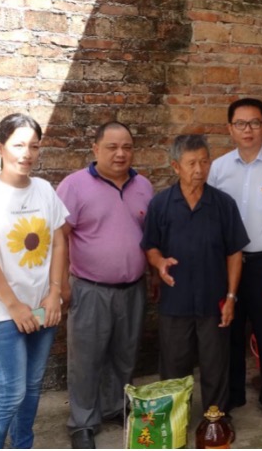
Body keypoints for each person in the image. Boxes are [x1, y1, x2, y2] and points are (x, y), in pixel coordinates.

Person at [0, 113, 68, 449]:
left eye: (34, 146)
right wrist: (14, 306)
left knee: (33, 386)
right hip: (5, 313)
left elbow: (59, 241)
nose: (27, 154)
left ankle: (23, 444)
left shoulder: (44, 190)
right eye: (18, 145)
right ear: (0, 147)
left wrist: (54, 293)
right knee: (11, 393)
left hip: (43, 308)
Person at [56, 121, 154, 449]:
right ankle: (82, 422)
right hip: (89, 289)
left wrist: (153, 276)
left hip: (133, 288)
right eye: (112, 147)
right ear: (95, 149)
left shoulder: (143, 186)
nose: (120, 153)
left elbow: (150, 237)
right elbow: (59, 238)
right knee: (86, 359)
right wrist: (61, 285)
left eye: (127, 147)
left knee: (124, 355)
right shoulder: (74, 186)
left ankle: (115, 407)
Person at [141, 135, 249, 414]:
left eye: (204, 162)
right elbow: (150, 246)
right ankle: (175, 421)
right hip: (175, 300)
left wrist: (231, 297)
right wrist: (159, 262)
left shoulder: (223, 204)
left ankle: (215, 421)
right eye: (191, 163)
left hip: (214, 300)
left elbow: (234, 253)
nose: (199, 169)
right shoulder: (161, 204)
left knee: (216, 365)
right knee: (174, 366)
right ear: (176, 167)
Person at [208, 98, 262, 433]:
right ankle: (230, 398)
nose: (248, 130)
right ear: (230, 128)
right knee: (227, 333)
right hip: (227, 264)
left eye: (255, 123)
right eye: (241, 124)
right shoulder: (219, 168)